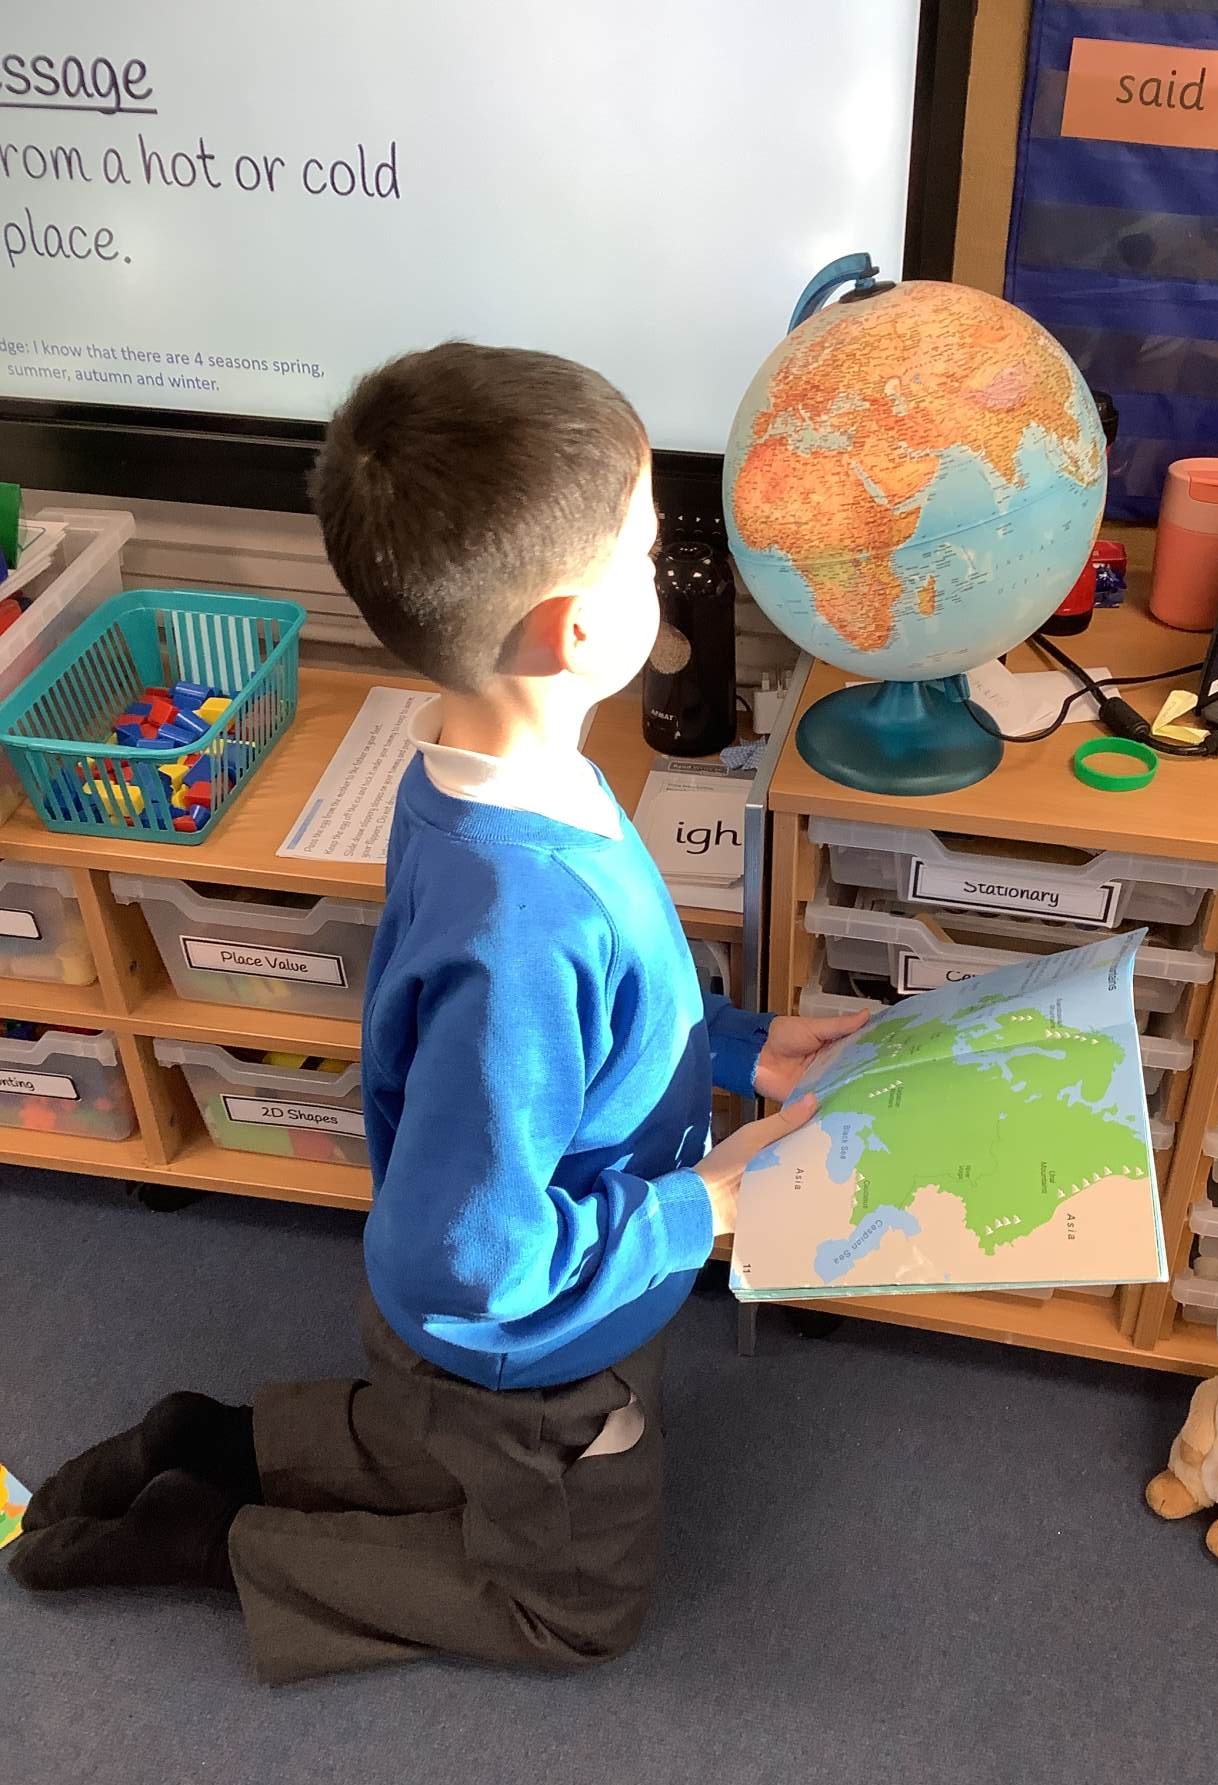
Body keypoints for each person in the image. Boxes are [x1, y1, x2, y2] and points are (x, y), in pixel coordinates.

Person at [10, 343, 865, 1683]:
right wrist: (700, 1211)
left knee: (432, 1431)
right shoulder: (526, 913)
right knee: (571, 1610)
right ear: (577, 631)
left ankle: (220, 1442)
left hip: (486, 1324)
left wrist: (741, 1049)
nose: (664, 571)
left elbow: (594, 1025)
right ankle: (218, 1540)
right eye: (648, 552)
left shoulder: (487, 775)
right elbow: (471, 1263)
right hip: (537, 1345)